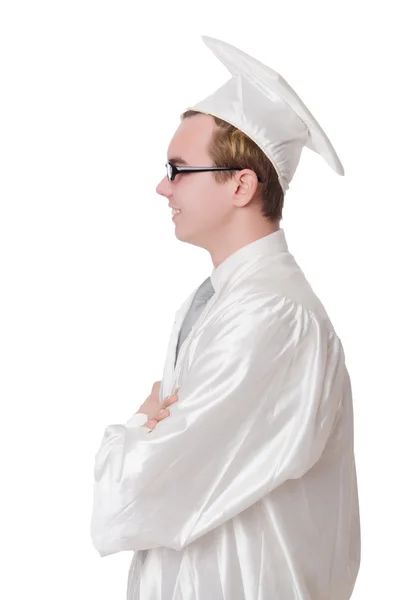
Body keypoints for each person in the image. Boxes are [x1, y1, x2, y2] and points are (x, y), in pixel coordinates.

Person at [90, 36, 361, 599]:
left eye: (179, 168)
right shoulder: (216, 303)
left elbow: (139, 497)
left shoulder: (272, 317)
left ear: (241, 184)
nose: (162, 186)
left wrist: (134, 431)